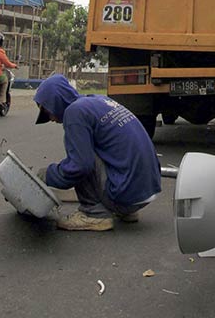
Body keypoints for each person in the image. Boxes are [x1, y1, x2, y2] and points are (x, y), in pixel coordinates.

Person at [34, 74, 161, 232]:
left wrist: (47, 175)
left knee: (81, 158)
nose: (51, 118)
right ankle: (127, 209)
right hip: (145, 190)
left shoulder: (74, 113)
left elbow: (79, 166)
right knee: (97, 148)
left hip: (126, 195)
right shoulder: (98, 101)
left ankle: (94, 214)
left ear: (55, 101)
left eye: (47, 111)